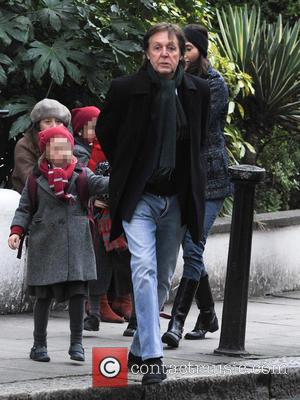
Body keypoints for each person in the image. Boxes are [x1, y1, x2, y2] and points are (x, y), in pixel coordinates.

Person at [96, 22, 210, 385]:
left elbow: (199, 141)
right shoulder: (126, 89)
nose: (165, 54)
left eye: (172, 48)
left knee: (160, 277)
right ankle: (153, 357)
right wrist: (130, 170)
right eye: (158, 47)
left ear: (181, 54)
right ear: (146, 52)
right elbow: (107, 134)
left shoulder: (197, 91)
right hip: (140, 197)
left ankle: (135, 352)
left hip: (176, 199)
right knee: (142, 269)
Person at [8, 126, 109, 363]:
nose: (63, 152)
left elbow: (104, 185)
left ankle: (76, 344)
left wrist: (126, 175)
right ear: (46, 151)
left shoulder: (82, 176)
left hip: (76, 245)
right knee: (42, 297)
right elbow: (25, 209)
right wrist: (16, 232)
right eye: (57, 148)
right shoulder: (35, 179)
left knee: (77, 294)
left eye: (66, 146)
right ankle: (39, 344)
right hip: (45, 244)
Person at [162, 24, 232, 348]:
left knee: (193, 247)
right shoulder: (172, 81)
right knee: (190, 249)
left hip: (211, 179)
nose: (182, 54)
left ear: (200, 52)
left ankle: (176, 322)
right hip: (182, 177)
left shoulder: (214, 85)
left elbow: (193, 125)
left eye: (187, 48)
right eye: (180, 48)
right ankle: (207, 314)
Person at [71, 107, 134, 327]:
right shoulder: (80, 152)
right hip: (95, 213)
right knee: (101, 259)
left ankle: (121, 300)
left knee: (122, 256)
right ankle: (97, 307)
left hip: (111, 210)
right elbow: (88, 178)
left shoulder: (106, 146)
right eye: (92, 127)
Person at [12, 98, 71, 193]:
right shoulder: (24, 145)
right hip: (30, 200)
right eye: (47, 122)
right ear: (38, 125)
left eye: (58, 122)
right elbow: (30, 180)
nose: (54, 126)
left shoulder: (67, 143)